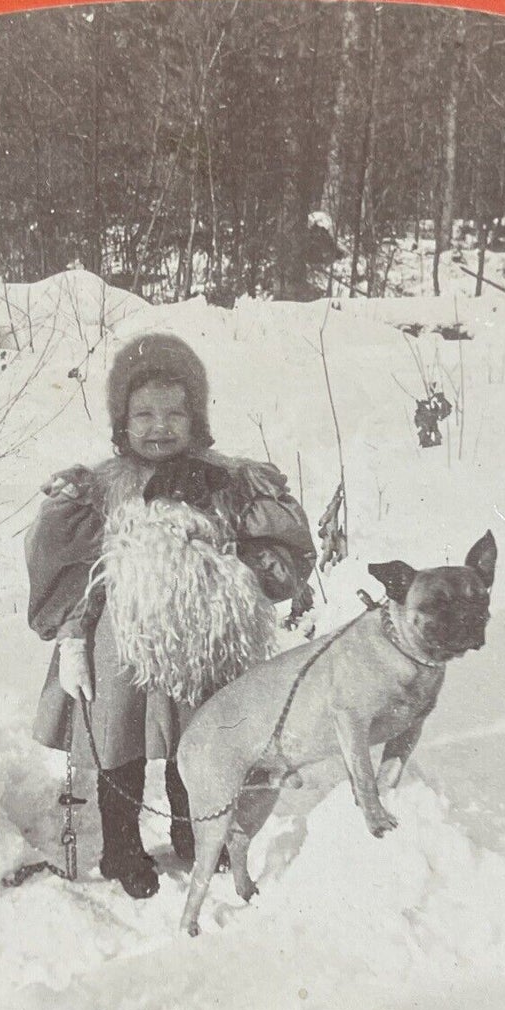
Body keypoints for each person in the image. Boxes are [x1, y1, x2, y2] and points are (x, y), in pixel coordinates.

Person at [26, 332, 317, 899]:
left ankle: (195, 827)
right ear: (121, 420)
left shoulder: (227, 476)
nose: (160, 427)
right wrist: (72, 641)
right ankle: (121, 849)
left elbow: (278, 551)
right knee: (120, 747)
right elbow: (78, 568)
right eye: (144, 415)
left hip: (205, 640)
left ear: (196, 416)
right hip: (124, 643)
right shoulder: (103, 487)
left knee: (202, 738)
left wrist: (238, 557)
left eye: (174, 413)